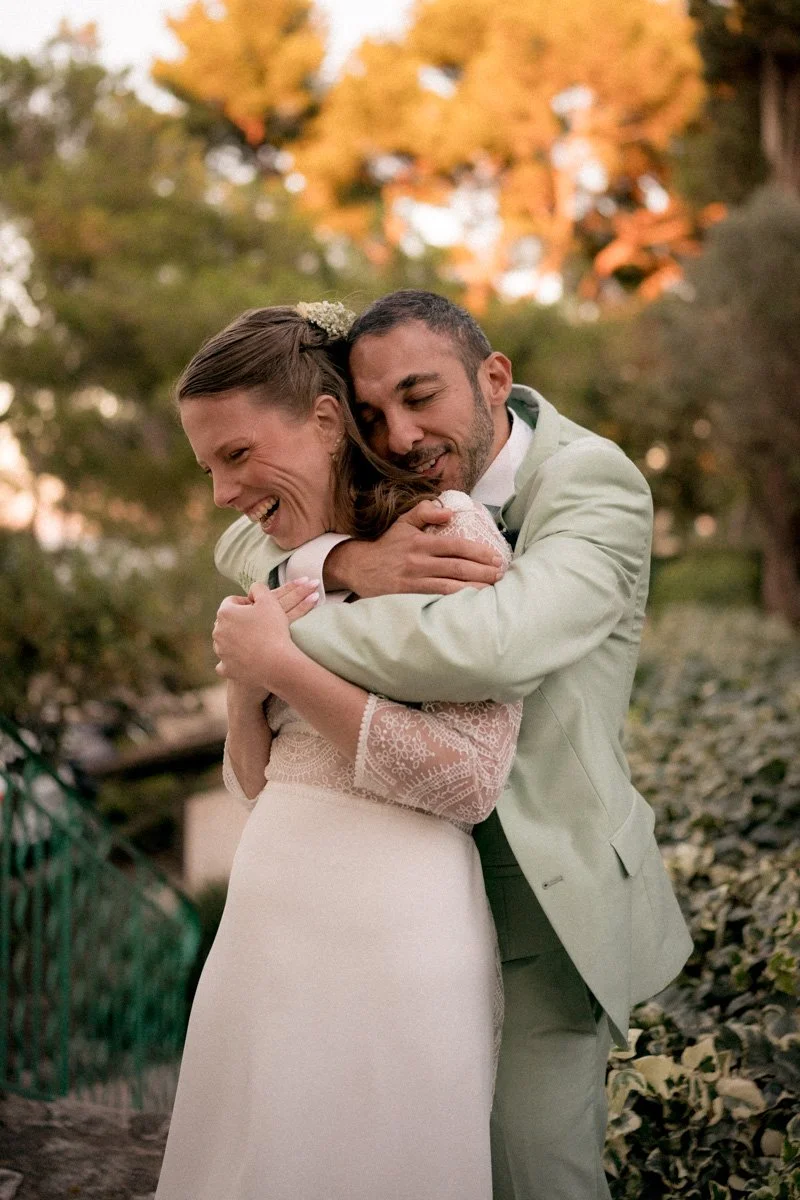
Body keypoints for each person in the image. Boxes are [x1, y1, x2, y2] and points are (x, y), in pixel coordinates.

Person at [216, 289, 694, 1200]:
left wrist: (275, 643)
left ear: (494, 378)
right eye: (371, 416)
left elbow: (495, 648)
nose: (398, 437)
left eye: (420, 396)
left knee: (530, 1168)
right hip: (397, 889)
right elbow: (240, 542)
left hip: (539, 887)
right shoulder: (386, 495)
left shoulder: (593, 481)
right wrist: (342, 563)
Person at [154, 303, 522, 1200]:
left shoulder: (449, 534)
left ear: (326, 421)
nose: (222, 492)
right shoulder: (285, 569)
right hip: (264, 927)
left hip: (394, 933)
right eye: (209, 468)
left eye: (238, 455)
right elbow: (253, 784)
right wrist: (244, 687)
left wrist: (280, 665)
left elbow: (470, 782)